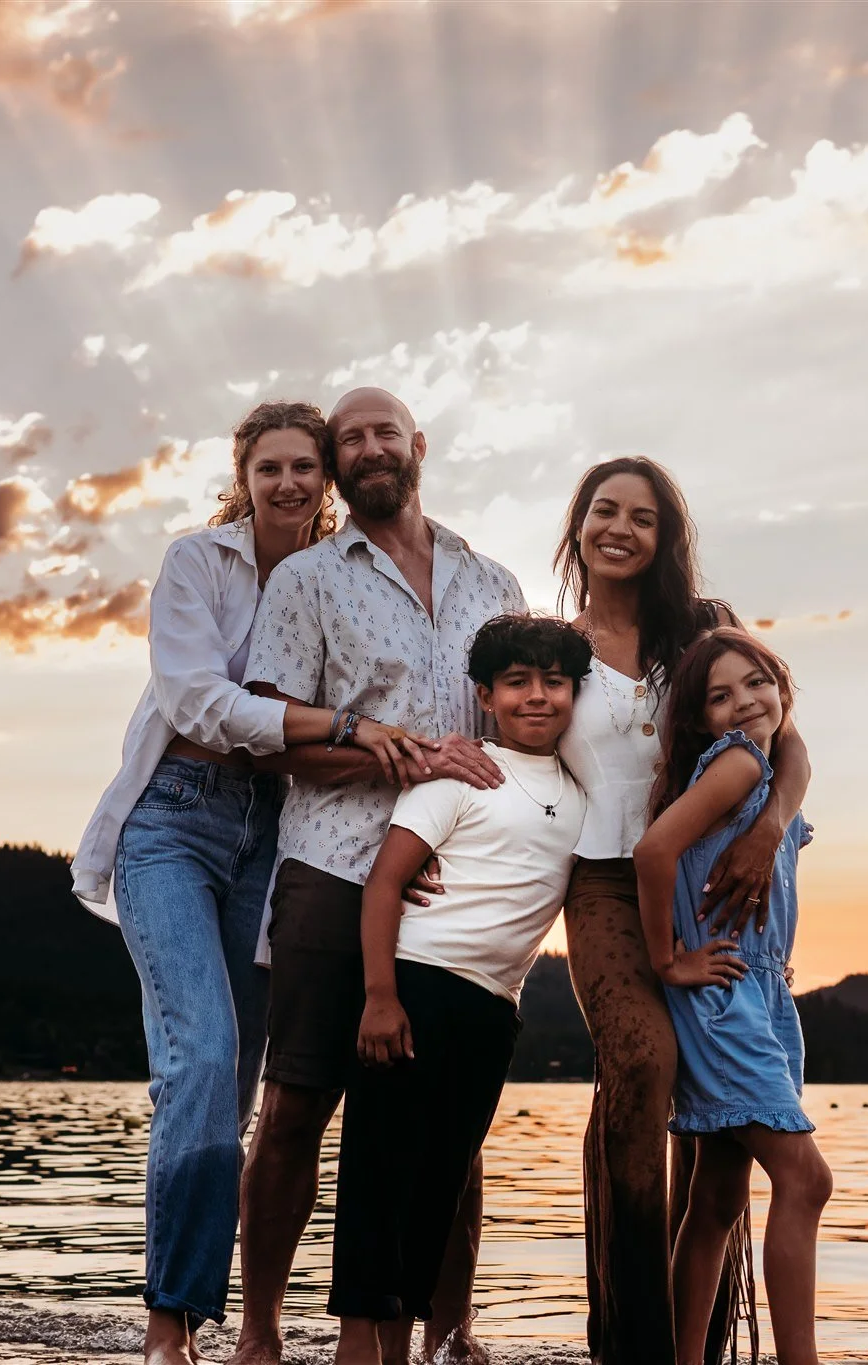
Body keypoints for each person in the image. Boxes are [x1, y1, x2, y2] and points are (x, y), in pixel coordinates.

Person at [68, 401, 428, 1365]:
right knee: (201, 1055)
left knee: (231, 1093)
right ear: (245, 473)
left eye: (306, 466)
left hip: (275, 833)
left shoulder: (330, 579)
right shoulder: (198, 562)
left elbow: (369, 697)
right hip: (174, 820)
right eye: (269, 467)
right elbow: (199, 699)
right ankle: (167, 1326)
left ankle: (209, 1319)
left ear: (328, 478)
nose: (289, 483)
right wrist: (342, 729)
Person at [233, 387, 525, 1365]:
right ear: (335, 461)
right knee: (294, 1110)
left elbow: (524, 731)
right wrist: (394, 758)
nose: (367, 448)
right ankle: (262, 1333)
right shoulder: (307, 580)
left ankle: (450, 1336)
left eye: (382, 433)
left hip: (456, 888)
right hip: (332, 865)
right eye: (348, 438)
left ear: (417, 447)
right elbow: (273, 737)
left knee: (452, 1128)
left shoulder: (493, 583)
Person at [551, 457, 811, 1365]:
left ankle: (699, 1340)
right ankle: (633, 1343)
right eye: (604, 511)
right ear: (578, 524)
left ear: (668, 537)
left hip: (710, 879)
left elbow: (789, 741)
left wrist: (769, 831)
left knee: (715, 1130)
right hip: (602, 880)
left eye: (644, 517)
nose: (621, 529)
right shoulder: (553, 648)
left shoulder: (700, 633)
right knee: (642, 1059)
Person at [331, 614, 593, 1365]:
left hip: (491, 1011)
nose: (536, 697)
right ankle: (357, 1349)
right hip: (414, 988)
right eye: (517, 682)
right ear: (485, 695)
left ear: (575, 693)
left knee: (439, 1182)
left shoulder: (581, 794)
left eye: (553, 682)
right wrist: (381, 995)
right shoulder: (464, 770)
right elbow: (384, 881)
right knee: (379, 1172)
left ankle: (403, 1347)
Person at [635, 628, 831, 1365]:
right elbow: (652, 852)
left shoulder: (772, 762)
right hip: (725, 1000)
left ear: (781, 686)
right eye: (721, 695)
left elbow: (798, 748)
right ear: (700, 719)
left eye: (757, 682)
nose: (746, 702)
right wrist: (669, 961)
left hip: (762, 996)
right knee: (806, 1179)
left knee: (717, 1197)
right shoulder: (741, 764)